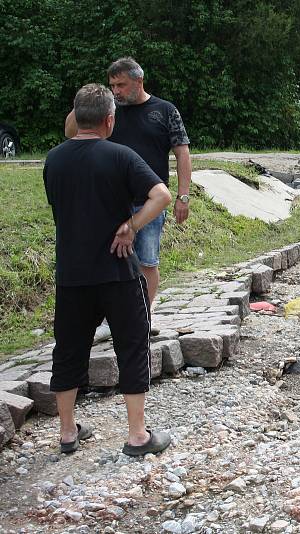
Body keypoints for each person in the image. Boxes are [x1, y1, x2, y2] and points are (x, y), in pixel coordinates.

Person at [45, 84, 173, 456]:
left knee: (68, 351)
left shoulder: (54, 159)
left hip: (72, 274)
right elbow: (161, 195)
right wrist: (131, 226)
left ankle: (68, 433)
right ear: (110, 119)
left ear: (76, 116)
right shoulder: (120, 156)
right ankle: (137, 435)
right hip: (118, 271)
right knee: (132, 347)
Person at [65, 57, 191, 313]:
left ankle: (143, 314)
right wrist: (82, 104)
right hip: (112, 200)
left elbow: (183, 153)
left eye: (121, 85)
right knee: (110, 261)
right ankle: (110, 317)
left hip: (151, 201)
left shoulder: (165, 110)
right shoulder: (109, 111)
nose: (116, 91)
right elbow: (70, 133)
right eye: (112, 85)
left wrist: (183, 196)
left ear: (138, 80)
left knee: (147, 261)